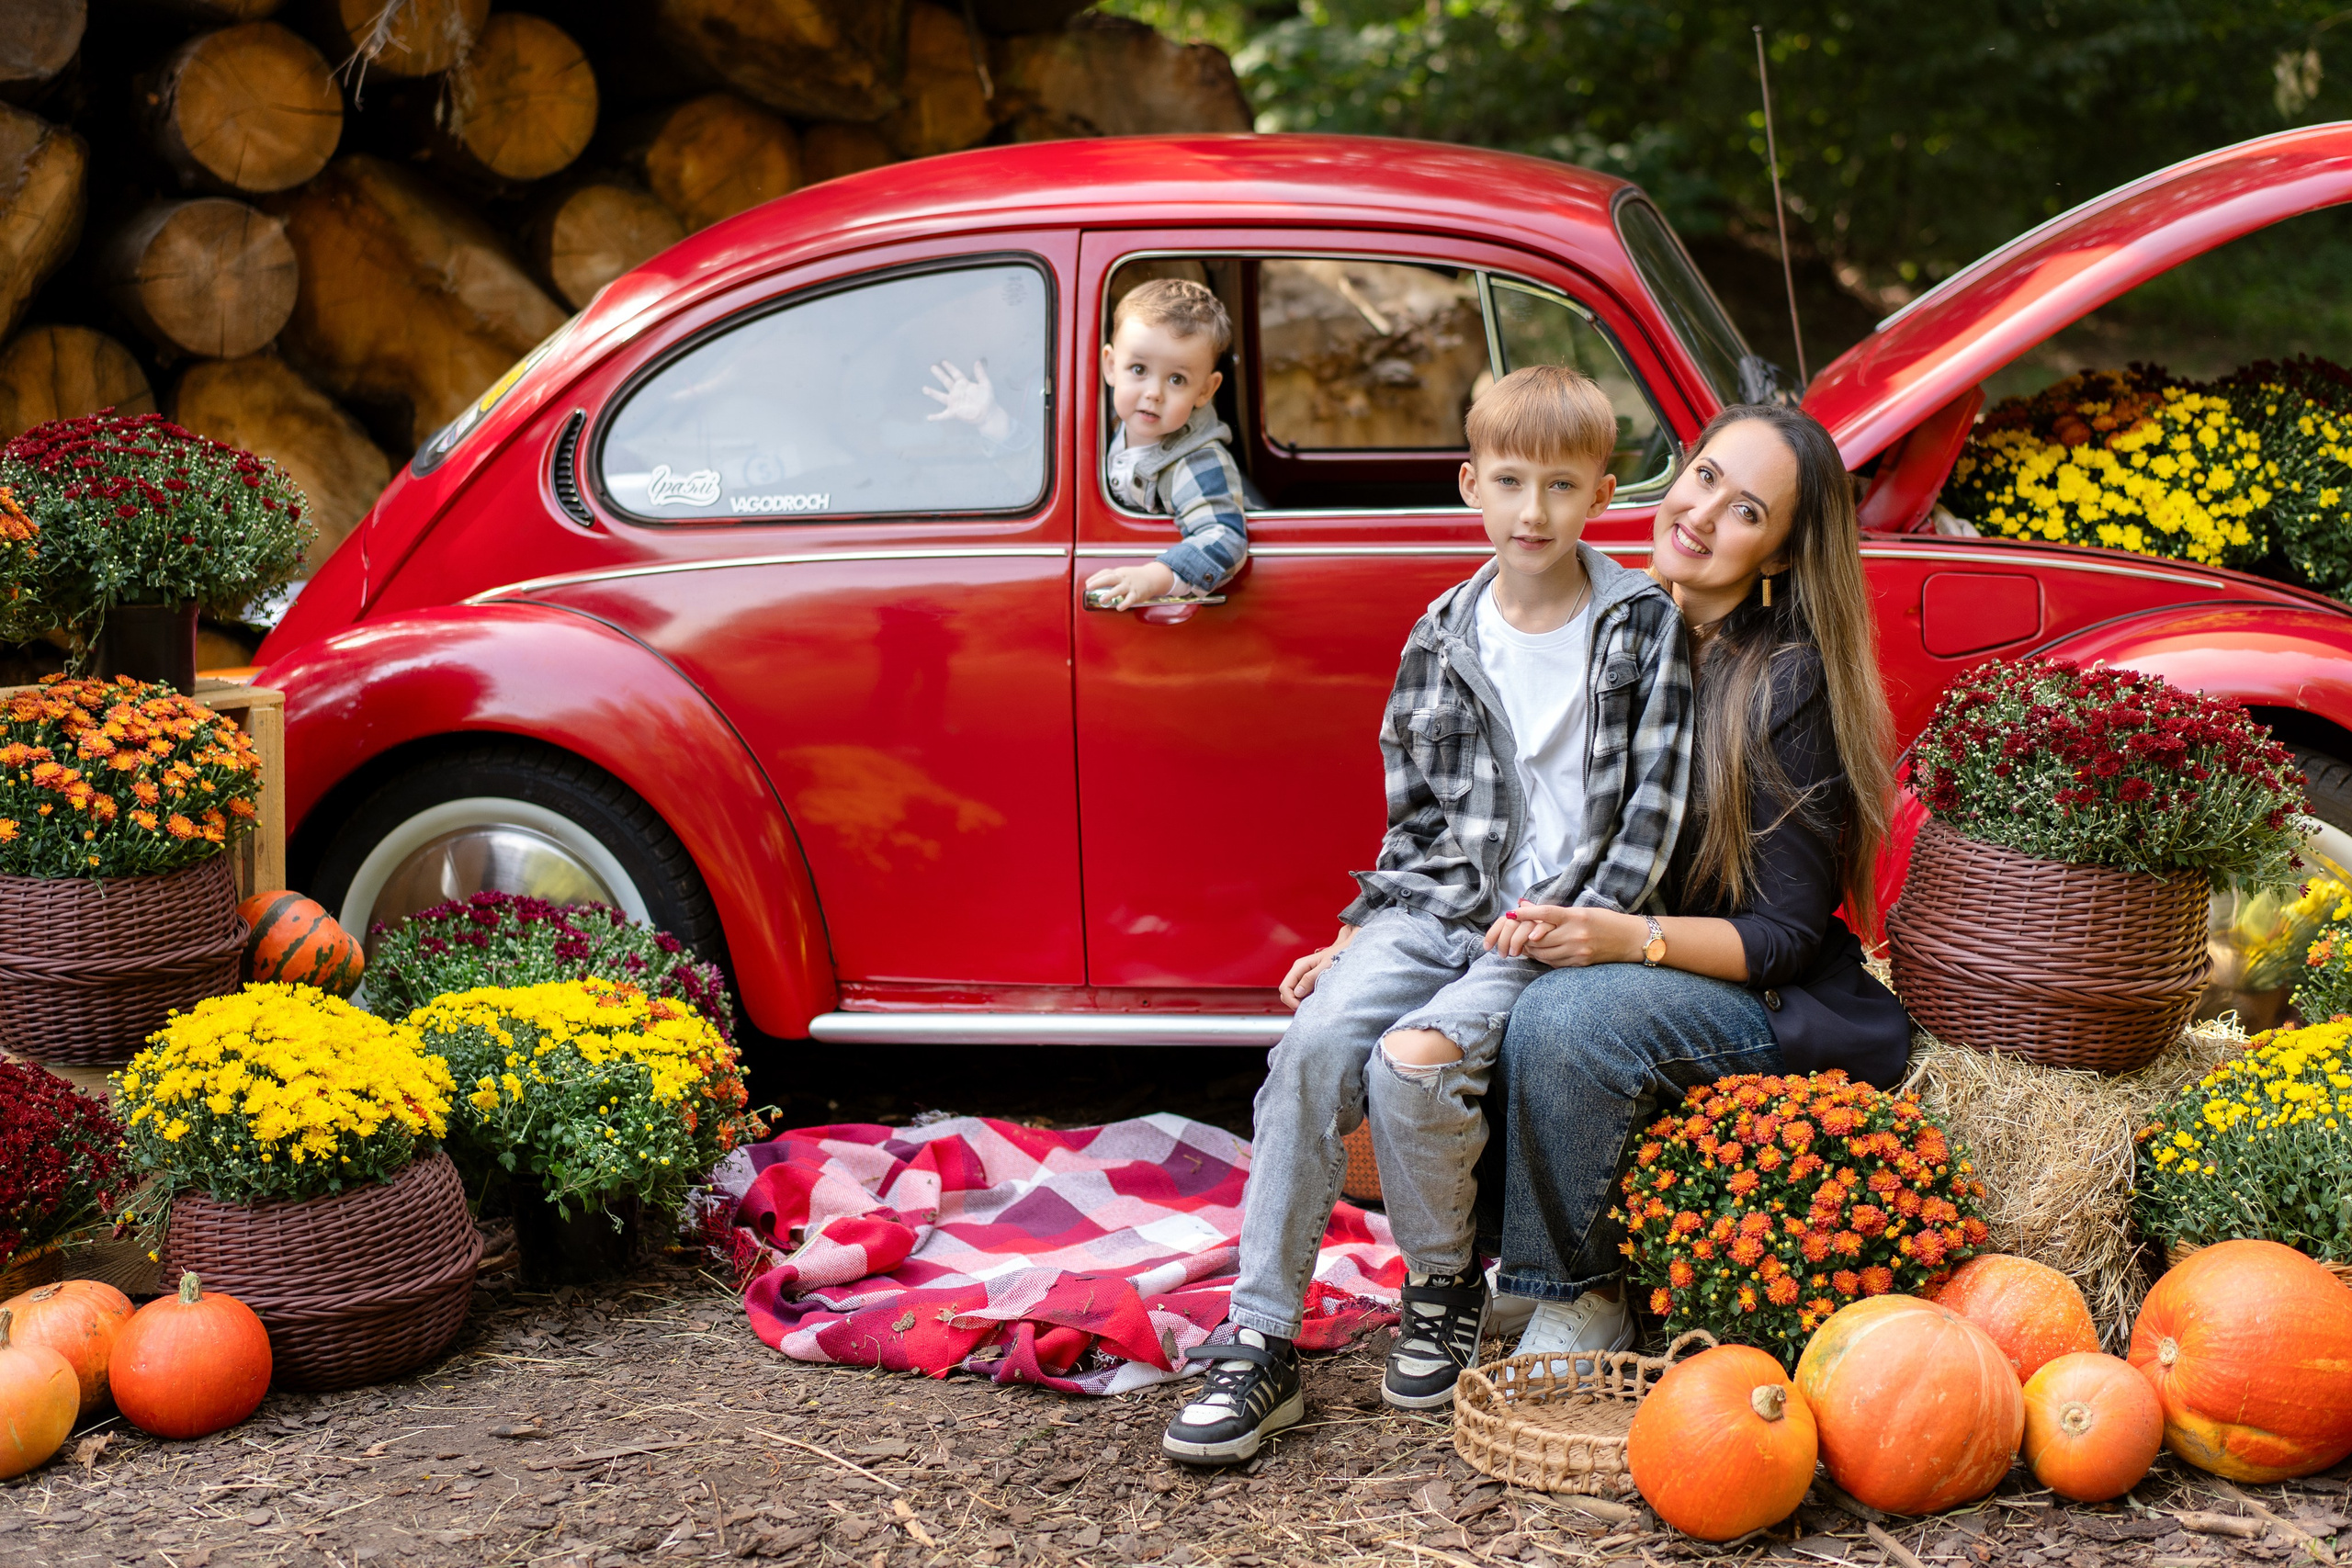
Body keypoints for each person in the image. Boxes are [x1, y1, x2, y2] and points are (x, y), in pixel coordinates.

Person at [1161, 365, 1695, 1466]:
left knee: (1411, 1070)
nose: (1533, 511)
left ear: (1602, 494)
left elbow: (1653, 814)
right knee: (1311, 1044)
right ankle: (1258, 1343)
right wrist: (1361, 930)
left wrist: (1580, 918)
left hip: (1553, 923)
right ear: (1470, 485)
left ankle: (1443, 1284)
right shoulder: (1441, 636)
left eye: (1560, 485)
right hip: (1439, 910)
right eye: (1509, 482)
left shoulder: (1640, 629)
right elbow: (1413, 823)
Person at [1481, 402, 1909, 1363]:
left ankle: (1584, 1296)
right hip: (1644, 966)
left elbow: (1783, 938)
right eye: (1705, 475)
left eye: (1747, 509)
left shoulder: (1786, 683)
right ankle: (1505, 1265)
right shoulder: (1623, 632)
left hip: (1768, 998)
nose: (1704, 513)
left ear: (1781, 557)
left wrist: (1617, 939)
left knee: (1566, 1016)